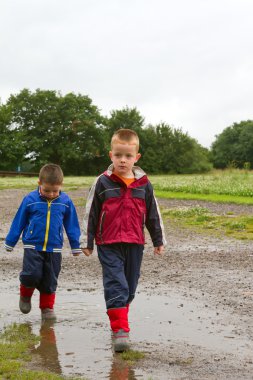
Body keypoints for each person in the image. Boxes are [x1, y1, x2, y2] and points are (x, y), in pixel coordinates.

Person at [80, 129, 166, 352]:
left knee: (129, 287)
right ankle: (121, 330)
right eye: (118, 155)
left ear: (136, 157)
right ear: (111, 155)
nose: (122, 160)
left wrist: (158, 239)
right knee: (116, 283)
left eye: (128, 156)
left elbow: (153, 214)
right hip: (108, 243)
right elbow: (91, 212)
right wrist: (86, 241)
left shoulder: (144, 184)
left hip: (135, 243)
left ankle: (118, 318)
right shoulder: (103, 182)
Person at [4, 164, 82, 320]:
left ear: (61, 185)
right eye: (47, 190)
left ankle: (47, 308)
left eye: (55, 191)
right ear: (39, 183)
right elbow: (19, 220)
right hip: (33, 245)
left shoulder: (65, 201)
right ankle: (25, 295)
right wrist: (10, 241)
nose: (51, 194)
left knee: (50, 279)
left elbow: (72, 224)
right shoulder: (30, 200)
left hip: (55, 248)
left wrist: (76, 245)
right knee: (31, 275)